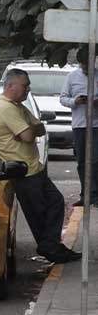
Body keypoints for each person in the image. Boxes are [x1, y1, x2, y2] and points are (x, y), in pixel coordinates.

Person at [0, 69, 81, 263]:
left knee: (54, 202)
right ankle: (50, 248)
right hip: (22, 171)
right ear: (10, 86)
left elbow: (39, 127)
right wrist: (29, 130)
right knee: (40, 212)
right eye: (25, 85)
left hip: (33, 167)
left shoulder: (18, 107)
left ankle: (51, 246)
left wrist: (30, 130)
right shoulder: (5, 108)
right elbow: (30, 135)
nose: (28, 89)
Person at [60, 48, 98, 207]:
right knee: (82, 161)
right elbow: (63, 98)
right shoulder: (72, 77)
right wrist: (76, 101)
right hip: (80, 125)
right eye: (84, 65)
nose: (87, 68)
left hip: (96, 125)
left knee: (95, 161)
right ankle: (85, 194)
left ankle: (95, 196)